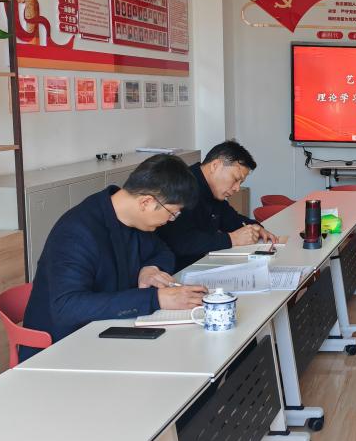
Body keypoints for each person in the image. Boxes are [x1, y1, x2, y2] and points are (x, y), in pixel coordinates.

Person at [21, 154, 207, 360]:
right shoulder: (77, 231)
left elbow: (163, 252)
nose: (171, 220)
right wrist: (155, 299)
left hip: (109, 333)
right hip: (62, 349)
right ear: (146, 202)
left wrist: (150, 269)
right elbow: (67, 307)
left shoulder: (134, 220)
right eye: (172, 213)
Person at [157, 140, 279, 270]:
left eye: (240, 183)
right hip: (174, 270)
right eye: (235, 179)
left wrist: (255, 227)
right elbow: (181, 242)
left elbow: (231, 219)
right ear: (215, 165)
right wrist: (231, 239)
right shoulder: (182, 187)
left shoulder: (213, 191)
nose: (237, 188)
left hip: (200, 265)